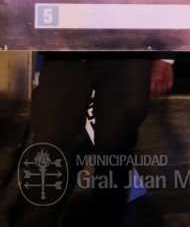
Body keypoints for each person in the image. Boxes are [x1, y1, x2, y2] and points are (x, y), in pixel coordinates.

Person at [12, 54, 174, 226]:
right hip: (64, 50)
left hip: (127, 52)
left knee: (115, 154)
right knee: (48, 148)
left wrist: (165, 57)